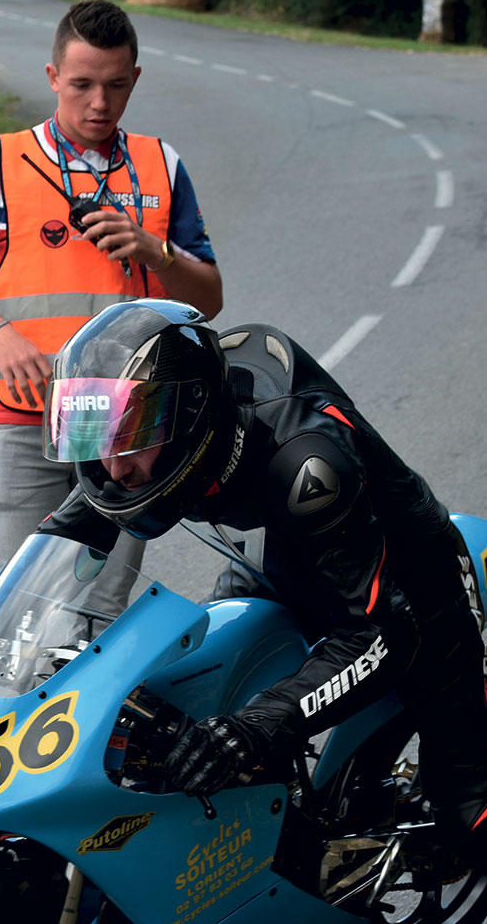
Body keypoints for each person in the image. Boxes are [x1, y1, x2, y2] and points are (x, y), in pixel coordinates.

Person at [41, 297, 487, 870]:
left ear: (188, 420)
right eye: (100, 445)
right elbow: (60, 543)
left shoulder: (305, 462)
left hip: (406, 589)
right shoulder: (162, 435)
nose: (114, 469)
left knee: (470, 822)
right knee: (174, 709)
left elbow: (377, 634)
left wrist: (253, 730)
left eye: (129, 442)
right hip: (271, 564)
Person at [0, 0, 222, 597]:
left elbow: (209, 299)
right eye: (82, 84)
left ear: (134, 79)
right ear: (52, 77)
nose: (99, 102)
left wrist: (154, 251)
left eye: (116, 85)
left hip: (124, 428)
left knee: (95, 623)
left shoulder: (161, 165)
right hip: (21, 418)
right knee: (10, 617)